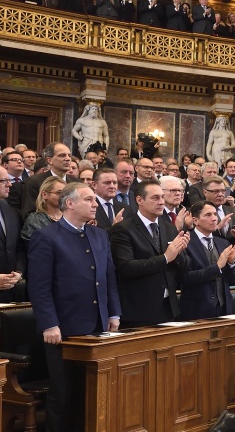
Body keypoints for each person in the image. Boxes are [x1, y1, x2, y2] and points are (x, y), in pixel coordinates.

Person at [28, 182, 122, 431]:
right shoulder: (46, 236)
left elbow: (108, 275)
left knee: (92, 392)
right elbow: (39, 286)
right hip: (64, 329)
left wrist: (113, 311)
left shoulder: (99, 234)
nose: (95, 204)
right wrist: (49, 323)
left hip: (98, 325)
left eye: (94, 200)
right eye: (89, 200)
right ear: (70, 203)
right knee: (63, 394)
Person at [110, 180, 190, 327]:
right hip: (138, 309)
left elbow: (182, 269)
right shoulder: (123, 229)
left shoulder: (169, 228)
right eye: (155, 198)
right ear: (139, 200)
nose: (161, 202)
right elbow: (126, 267)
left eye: (162, 197)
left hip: (168, 308)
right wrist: (165, 257)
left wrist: (179, 254)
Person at [0, 167, 24, 302]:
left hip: (10, 292)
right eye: (4, 181)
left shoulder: (10, 211)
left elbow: (18, 247)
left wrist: (19, 273)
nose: (10, 184)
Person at [21, 176, 65, 246]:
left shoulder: (72, 217)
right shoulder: (35, 220)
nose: (63, 196)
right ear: (45, 195)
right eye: (59, 193)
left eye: (65, 193)